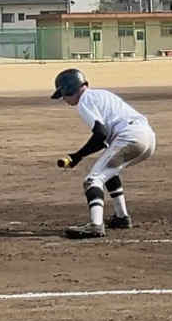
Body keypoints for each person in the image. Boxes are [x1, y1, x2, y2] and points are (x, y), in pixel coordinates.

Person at [51, 68, 156, 239]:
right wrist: (79, 155)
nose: (63, 99)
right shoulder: (101, 95)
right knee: (108, 171)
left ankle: (95, 225)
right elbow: (104, 137)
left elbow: (100, 134)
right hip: (148, 138)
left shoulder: (84, 101)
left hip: (130, 137)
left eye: (63, 94)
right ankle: (121, 217)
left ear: (69, 89)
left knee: (93, 180)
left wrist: (77, 156)